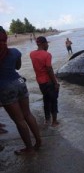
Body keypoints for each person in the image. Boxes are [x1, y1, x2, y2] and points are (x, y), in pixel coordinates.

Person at [0, 26, 41, 155]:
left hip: (5, 87)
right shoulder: (15, 52)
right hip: (20, 82)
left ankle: (29, 149)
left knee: (19, 120)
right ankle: (38, 142)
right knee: (27, 114)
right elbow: (17, 67)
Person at [30, 36, 60, 127]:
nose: (48, 45)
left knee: (46, 99)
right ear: (43, 44)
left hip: (40, 82)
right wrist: (55, 82)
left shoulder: (32, 54)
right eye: (47, 43)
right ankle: (54, 122)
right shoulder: (47, 55)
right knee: (53, 100)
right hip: (48, 81)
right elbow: (49, 69)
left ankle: (47, 120)